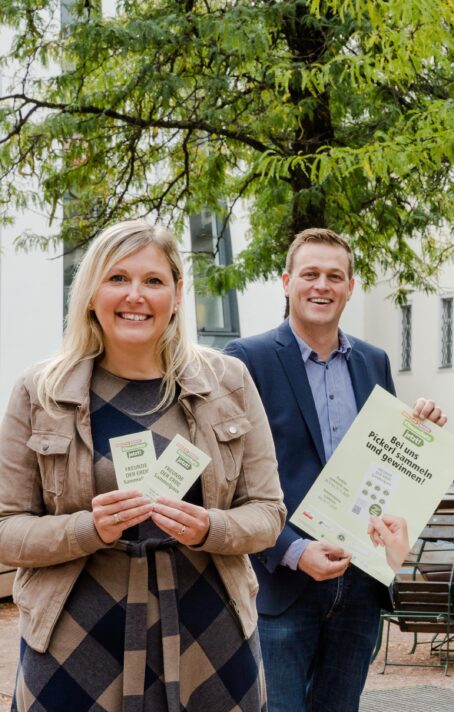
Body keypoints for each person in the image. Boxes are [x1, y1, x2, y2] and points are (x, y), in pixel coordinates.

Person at [0, 220, 286, 711]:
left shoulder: (229, 382)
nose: (136, 295)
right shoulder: (40, 392)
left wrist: (209, 527)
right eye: (117, 278)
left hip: (210, 637)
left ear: (177, 295)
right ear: (90, 293)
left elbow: (267, 513)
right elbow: (6, 528)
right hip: (77, 642)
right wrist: (87, 528)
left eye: (153, 281)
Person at [224, 227, 445, 712]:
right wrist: (294, 551)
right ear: (286, 282)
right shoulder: (246, 360)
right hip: (284, 582)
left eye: (334, 276)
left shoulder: (374, 362)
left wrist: (420, 429)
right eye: (310, 274)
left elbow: (388, 461)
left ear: (349, 286)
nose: (321, 285)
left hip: (361, 581)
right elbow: (230, 479)